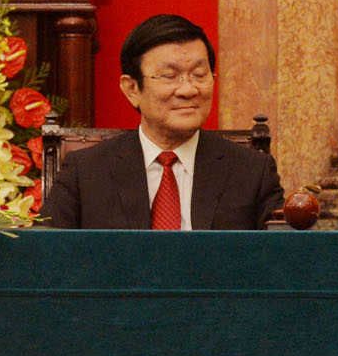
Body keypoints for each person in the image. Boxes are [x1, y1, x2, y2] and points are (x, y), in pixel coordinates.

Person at [43, 14, 283, 231]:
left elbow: (281, 263)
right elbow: (46, 257)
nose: (188, 90)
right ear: (132, 89)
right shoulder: (86, 172)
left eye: (199, 75)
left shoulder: (252, 172)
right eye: (169, 76)